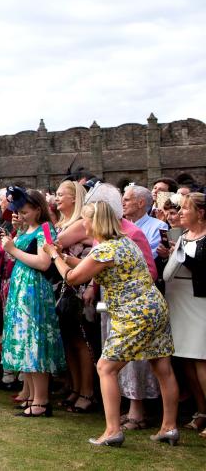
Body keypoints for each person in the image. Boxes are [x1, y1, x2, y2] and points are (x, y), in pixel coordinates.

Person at [49, 201, 179, 446]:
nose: (83, 224)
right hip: (155, 307)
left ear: (95, 221)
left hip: (134, 314)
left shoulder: (104, 249)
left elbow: (72, 278)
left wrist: (55, 256)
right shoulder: (125, 242)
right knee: (162, 367)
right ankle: (169, 427)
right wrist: (65, 256)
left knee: (105, 368)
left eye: (85, 219)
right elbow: (91, 267)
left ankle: (112, 431)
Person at [0, 187, 66, 417]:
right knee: (26, 343)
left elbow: (44, 263)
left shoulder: (45, 229)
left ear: (37, 209)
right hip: (21, 288)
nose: (20, 215)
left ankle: (42, 400)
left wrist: (13, 249)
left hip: (34, 289)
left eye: (24, 211)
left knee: (35, 343)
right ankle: (33, 396)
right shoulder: (28, 230)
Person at [162, 192, 206, 439]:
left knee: (201, 358)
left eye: (185, 209)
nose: (180, 214)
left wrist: (186, 258)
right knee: (185, 359)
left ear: (200, 213)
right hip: (177, 298)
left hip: (199, 302)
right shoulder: (183, 235)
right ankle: (201, 411)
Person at [53, 180, 97, 413]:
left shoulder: (80, 223)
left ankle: (87, 391)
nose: (57, 198)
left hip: (81, 285)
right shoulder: (61, 223)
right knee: (68, 340)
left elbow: (54, 246)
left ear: (74, 198)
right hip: (65, 284)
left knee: (82, 341)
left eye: (61, 195)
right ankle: (75, 386)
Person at [123, 184, 168, 254]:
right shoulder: (120, 226)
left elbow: (150, 256)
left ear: (140, 203)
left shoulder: (159, 226)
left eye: (126, 200)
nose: (122, 203)